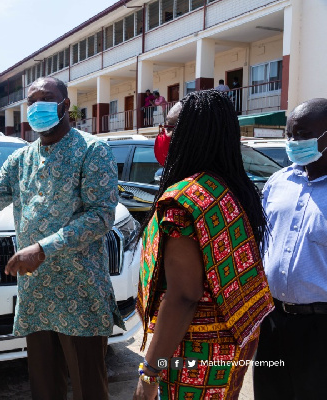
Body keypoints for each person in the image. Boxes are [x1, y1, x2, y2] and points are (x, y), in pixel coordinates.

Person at [0, 77, 124, 400]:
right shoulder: (21, 159)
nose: (37, 107)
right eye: (32, 102)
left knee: (89, 390)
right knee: (45, 390)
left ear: (65, 105)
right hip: (37, 297)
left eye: (46, 99)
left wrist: (44, 248)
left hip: (81, 294)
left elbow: (100, 216)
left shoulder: (91, 150)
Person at [133, 90, 274, 400]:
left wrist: (150, 371)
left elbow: (184, 295)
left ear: (191, 134)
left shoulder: (183, 202)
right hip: (232, 342)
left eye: (169, 128)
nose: (163, 136)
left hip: (192, 352)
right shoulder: (230, 187)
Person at [253, 98, 327, 400]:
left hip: (320, 330)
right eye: (289, 135)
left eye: (302, 134)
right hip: (272, 322)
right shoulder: (277, 183)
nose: (294, 142)